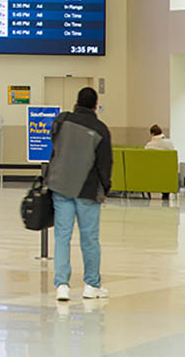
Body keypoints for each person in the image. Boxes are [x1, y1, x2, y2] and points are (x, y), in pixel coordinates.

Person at [46, 86, 112, 302]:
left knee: (62, 236)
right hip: (87, 190)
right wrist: (106, 188)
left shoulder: (62, 121)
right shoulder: (101, 130)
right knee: (89, 238)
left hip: (61, 186)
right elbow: (105, 164)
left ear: (76, 101)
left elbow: (54, 146)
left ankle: (62, 285)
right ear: (95, 105)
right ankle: (91, 285)